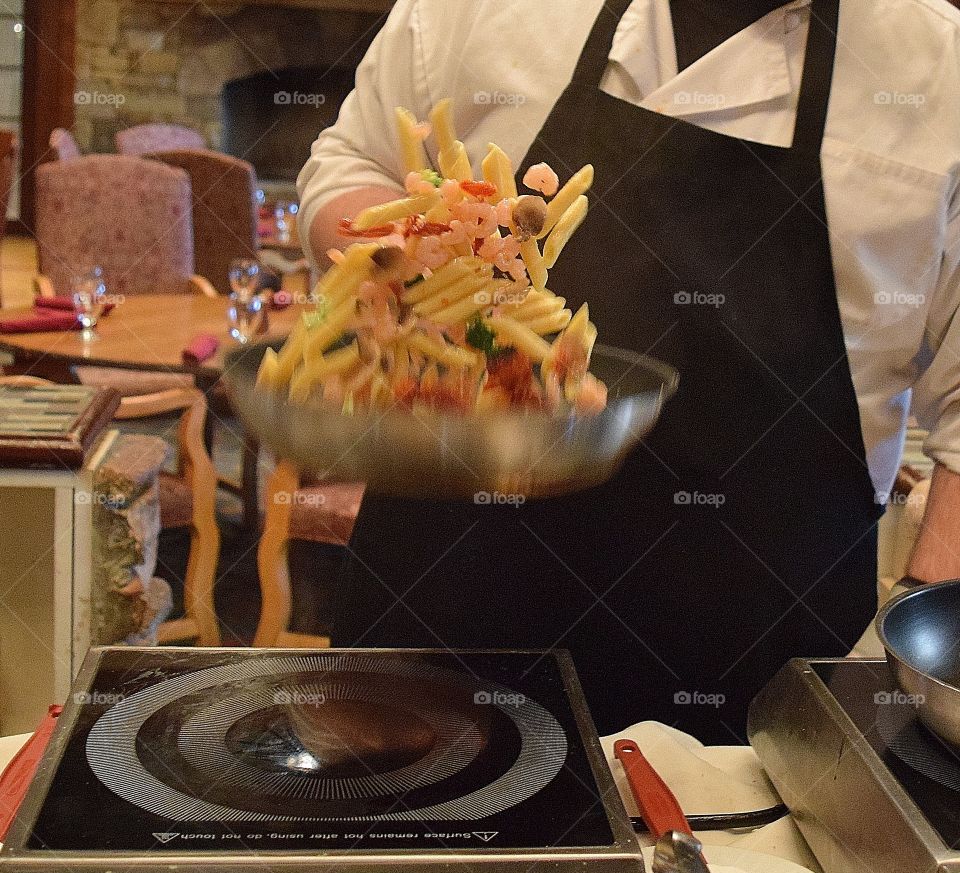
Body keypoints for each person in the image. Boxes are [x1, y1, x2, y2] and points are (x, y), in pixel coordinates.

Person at [297, 0, 960, 743]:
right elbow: (353, 159)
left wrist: (929, 640)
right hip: (441, 600)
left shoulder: (941, 68)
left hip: (755, 657)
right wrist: (414, 248)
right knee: (406, 837)